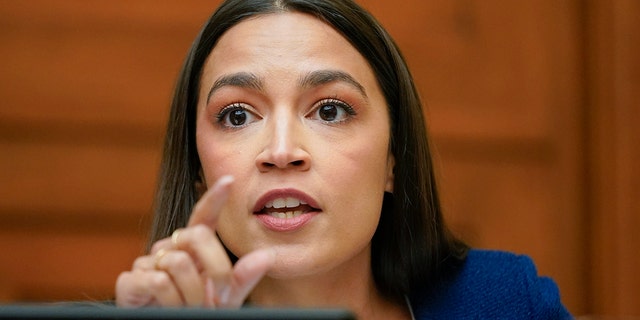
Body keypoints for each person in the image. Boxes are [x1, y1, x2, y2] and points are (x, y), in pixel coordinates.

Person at [115, 0, 572, 318]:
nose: (280, 152)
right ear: (197, 170)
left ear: (394, 158)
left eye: (330, 110)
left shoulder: (508, 302)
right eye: (237, 116)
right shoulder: (150, 316)